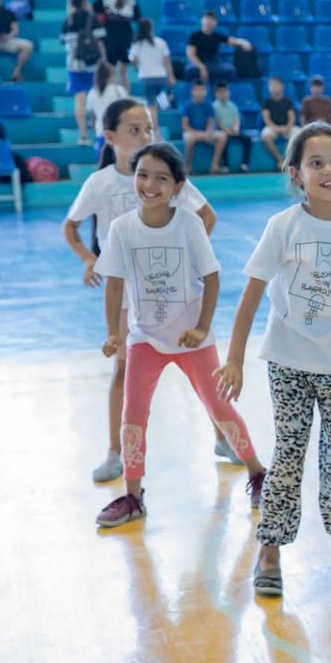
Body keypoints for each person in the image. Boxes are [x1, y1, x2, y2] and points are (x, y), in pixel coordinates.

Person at [214, 122, 331, 597]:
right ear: (296, 174)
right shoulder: (284, 226)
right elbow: (251, 294)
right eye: (315, 163)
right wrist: (234, 359)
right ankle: (270, 550)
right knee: (290, 455)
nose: (329, 170)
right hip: (288, 362)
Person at [94, 143, 267, 528]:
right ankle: (133, 495)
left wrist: (203, 327)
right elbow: (114, 284)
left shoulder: (188, 224)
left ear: (177, 186)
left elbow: (211, 276)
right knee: (133, 415)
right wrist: (112, 333)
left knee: (219, 408)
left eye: (161, 178)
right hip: (145, 339)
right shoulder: (122, 228)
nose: (150, 185)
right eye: (142, 175)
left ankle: (257, 472)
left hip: (192, 340)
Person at [62, 98, 229, 483]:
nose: (144, 136)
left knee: (198, 370)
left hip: (167, 289)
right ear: (110, 137)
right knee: (124, 368)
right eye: (134, 130)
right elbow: (70, 227)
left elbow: (207, 216)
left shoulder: (162, 174)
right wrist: (90, 259)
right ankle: (116, 452)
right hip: (129, 292)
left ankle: (223, 437)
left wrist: (186, 256)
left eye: (149, 128)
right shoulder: (100, 182)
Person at [61, 0, 107, 145]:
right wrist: (103, 61)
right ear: (84, 1)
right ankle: (96, 130)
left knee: (79, 101)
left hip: (74, 65)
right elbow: (100, 41)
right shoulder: (91, 18)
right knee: (95, 98)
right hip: (92, 65)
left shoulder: (68, 20)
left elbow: (63, 42)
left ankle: (83, 136)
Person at [93, 0, 140, 92]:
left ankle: (113, 98)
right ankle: (127, 97)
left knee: (111, 72)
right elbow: (138, 18)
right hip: (126, 38)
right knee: (124, 73)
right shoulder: (131, 0)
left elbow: (94, 12)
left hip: (111, 37)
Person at [128, 18, 174, 135]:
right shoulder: (161, 42)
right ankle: (163, 104)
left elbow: (133, 59)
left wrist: (138, 68)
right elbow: (166, 61)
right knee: (161, 99)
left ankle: (156, 131)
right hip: (161, 77)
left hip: (146, 77)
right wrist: (170, 76)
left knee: (151, 106)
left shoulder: (137, 45)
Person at [185, 11, 251, 84]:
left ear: (215, 23)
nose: (209, 22)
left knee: (230, 70)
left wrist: (244, 43)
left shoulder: (217, 36)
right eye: (207, 20)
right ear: (202, 21)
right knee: (189, 70)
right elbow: (190, 55)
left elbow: (232, 40)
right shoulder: (194, 36)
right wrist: (202, 67)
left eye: (211, 20)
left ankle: (225, 93)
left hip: (214, 64)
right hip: (197, 64)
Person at [181, 80, 227, 175]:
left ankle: (214, 166)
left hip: (205, 132)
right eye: (197, 90)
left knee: (222, 136)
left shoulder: (208, 105)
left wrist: (208, 132)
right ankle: (188, 167)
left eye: (202, 90)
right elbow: (185, 126)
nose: (199, 93)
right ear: (192, 91)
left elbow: (210, 123)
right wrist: (199, 134)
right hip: (192, 133)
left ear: (205, 92)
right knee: (188, 138)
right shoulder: (187, 106)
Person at [86, 61, 128, 155]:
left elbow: (92, 117)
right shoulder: (119, 90)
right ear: (111, 74)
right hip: (118, 131)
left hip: (101, 131)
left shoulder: (92, 93)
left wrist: (95, 128)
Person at [212, 81, 252, 173]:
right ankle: (226, 165)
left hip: (233, 130)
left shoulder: (233, 106)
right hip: (222, 131)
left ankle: (244, 164)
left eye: (225, 92)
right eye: (220, 92)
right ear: (216, 94)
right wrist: (226, 130)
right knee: (223, 140)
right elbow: (217, 121)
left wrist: (236, 128)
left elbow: (237, 119)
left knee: (247, 139)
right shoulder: (214, 106)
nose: (223, 94)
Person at [260, 76, 298, 170]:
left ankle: (290, 159)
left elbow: (292, 117)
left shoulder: (288, 102)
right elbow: (266, 118)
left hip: (287, 127)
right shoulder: (266, 102)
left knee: (298, 135)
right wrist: (275, 128)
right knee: (265, 136)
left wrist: (288, 128)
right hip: (272, 128)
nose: (273, 87)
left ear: (282, 86)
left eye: (276, 85)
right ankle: (280, 159)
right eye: (271, 85)